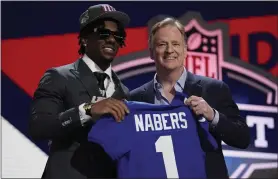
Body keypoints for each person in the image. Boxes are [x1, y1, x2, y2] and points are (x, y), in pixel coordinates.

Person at [130, 17, 250, 178]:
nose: (169, 50)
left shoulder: (214, 89)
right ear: (151, 52)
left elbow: (242, 139)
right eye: (162, 44)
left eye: (176, 44)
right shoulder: (135, 99)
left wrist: (212, 115)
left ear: (185, 50)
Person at [29, 4, 130, 179]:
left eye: (117, 35)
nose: (111, 40)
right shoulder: (58, 77)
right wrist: (88, 110)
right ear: (84, 39)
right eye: (103, 33)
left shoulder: (124, 92)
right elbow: (39, 126)